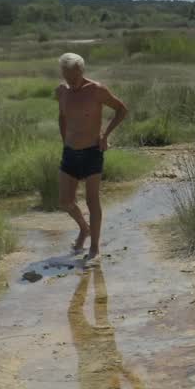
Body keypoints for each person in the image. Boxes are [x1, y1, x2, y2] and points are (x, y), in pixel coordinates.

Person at [56, 53, 127, 261]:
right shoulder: (61, 92)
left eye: (74, 77)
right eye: (67, 77)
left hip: (92, 152)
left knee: (91, 200)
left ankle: (94, 248)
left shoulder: (97, 90)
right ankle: (84, 229)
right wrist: (64, 140)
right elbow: (61, 116)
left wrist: (105, 135)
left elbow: (122, 110)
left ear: (82, 71)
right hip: (69, 152)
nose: (71, 82)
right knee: (65, 201)